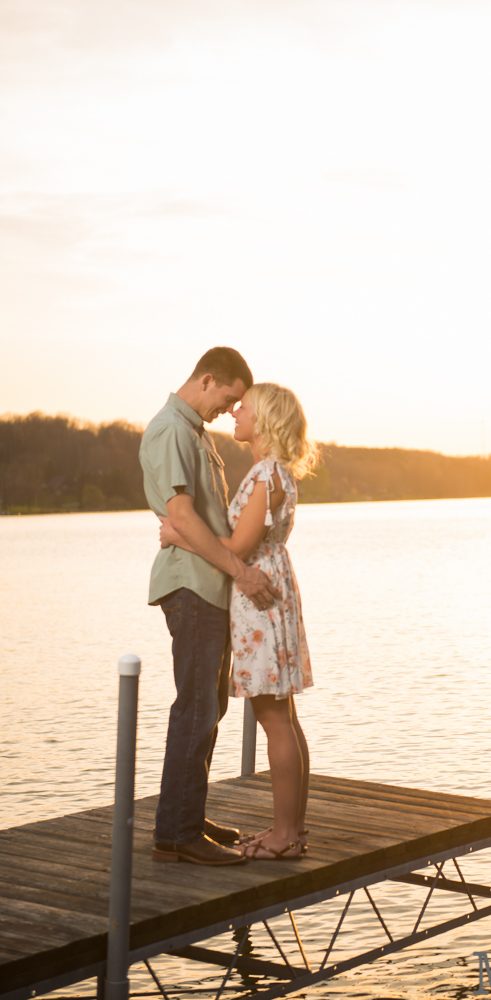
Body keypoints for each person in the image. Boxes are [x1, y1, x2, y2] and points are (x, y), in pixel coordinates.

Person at [160, 382, 317, 860]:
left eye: (243, 408)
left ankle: (284, 835)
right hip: (271, 595)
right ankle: (290, 830)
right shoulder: (273, 473)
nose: (235, 412)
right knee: (282, 716)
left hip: (260, 601)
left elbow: (236, 549)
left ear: (264, 421)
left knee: (273, 718)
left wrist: (179, 536)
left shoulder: (265, 475)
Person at [139, 348, 280, 867]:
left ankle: (187, 816)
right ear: (208, 378)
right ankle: (176, 833)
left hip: (209, 583)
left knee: (209, 705)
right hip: (193, 585)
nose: (232, 407)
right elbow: (181, 513)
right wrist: (241, 571)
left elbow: (201, 516)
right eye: (231, 396)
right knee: (196, 706)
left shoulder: (194, 432)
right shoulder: (172, 430)